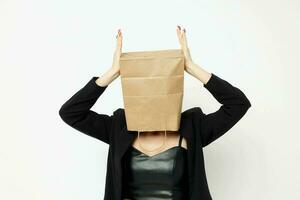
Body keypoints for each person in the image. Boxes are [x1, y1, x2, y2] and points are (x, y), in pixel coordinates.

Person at [59, 25, 251, 200]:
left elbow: (238, 104)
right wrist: (113, 72)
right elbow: (71, 112)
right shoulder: (119, 127)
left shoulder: (192, 127)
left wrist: (191, 67)